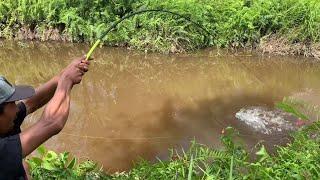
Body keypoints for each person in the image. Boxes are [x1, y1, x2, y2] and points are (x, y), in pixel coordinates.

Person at [0, 56, 90, 179]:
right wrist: (67, 80)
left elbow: (32, 103)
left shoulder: (6, 121)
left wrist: (67, 71)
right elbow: (52, 122)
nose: (16, 108)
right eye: (11, 104)